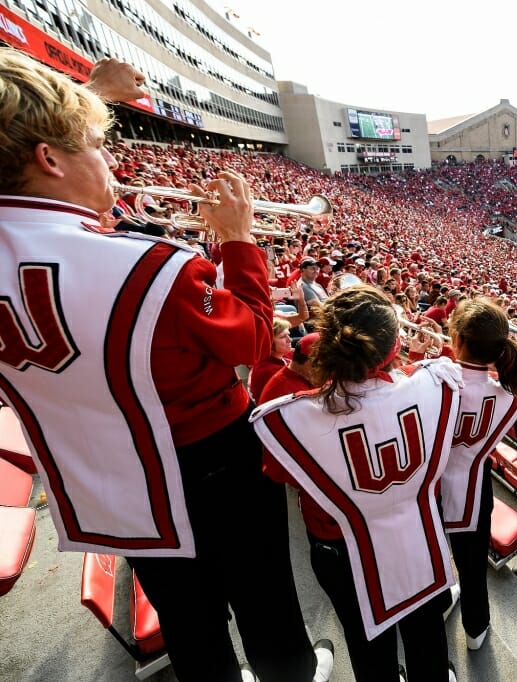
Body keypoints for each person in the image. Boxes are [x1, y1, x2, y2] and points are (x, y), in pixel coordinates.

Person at [0, 49, 331, 681]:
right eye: (98, 148)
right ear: (49, 159)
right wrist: (238, 240)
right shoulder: (155, 266)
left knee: (189, 621)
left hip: (101, 474)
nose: (110, 162)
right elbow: (255, 340)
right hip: (210, 460)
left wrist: (87, 94)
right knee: (264, 599)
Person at [252, 284, 462, 682]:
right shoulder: (435, 382)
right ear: (394, 347)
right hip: (416, 533)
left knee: (368, 645)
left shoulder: (289, 415)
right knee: (426, 634)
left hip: (341, 546)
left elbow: (279, 474)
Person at [441, 299, 517, 651]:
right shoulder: (513, 395)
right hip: (474, 492)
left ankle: (440, 599)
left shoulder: (432, 381)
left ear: (457, 338)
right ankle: (476, 630)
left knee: (428, 557)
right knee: (473, 567)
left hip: (424, 492)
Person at [249, 317, 293, 400]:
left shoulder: (283, 354)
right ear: (268, 342)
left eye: (289, 335)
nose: (290, 340)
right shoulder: (268, 371)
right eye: (283, 337)